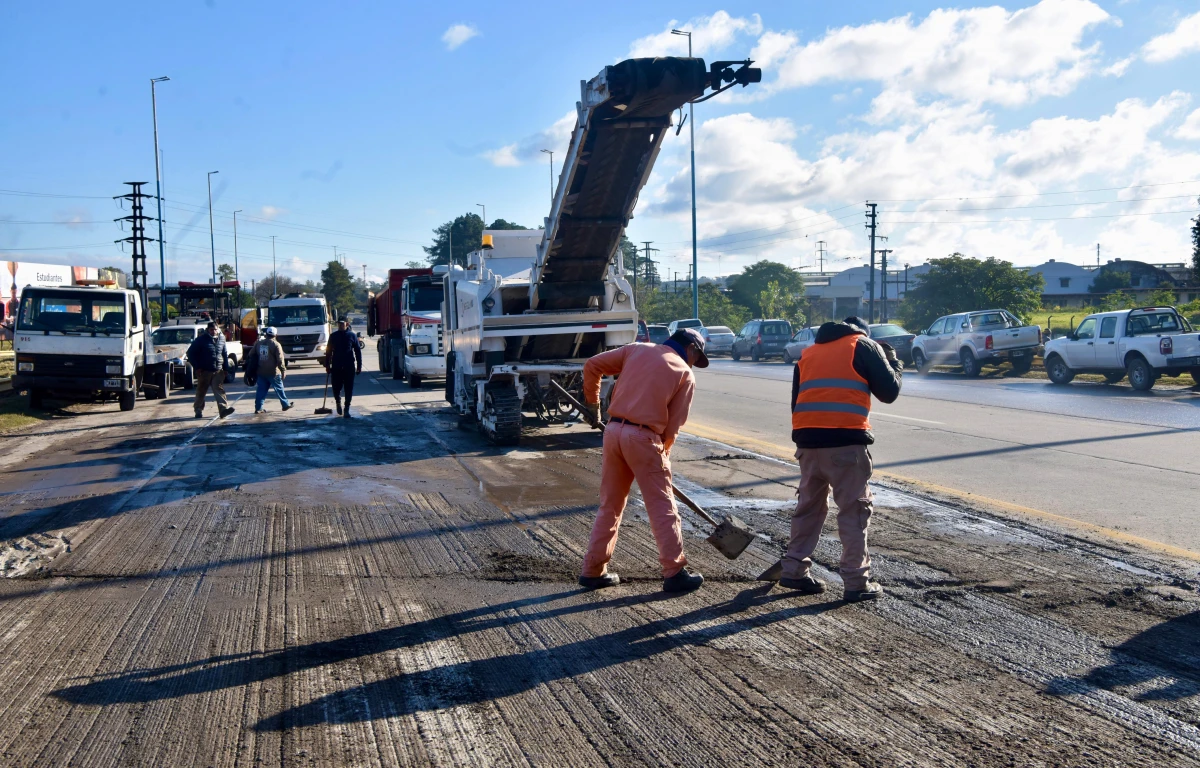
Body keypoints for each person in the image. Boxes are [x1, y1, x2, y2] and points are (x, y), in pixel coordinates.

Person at [577, 328, 708, 593]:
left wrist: (593, 406)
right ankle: (674, 572)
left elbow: (592, 365)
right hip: (644, 438)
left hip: (613, 432)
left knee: (610, 505)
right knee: (662, 505)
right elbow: (673, 427)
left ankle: (592, 571)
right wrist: (663, 457)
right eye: (697, 357)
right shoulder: (684, 373)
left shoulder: (637, 349)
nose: (694, 362)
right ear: (691, 348)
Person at [781, 316, 903, 601]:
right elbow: (889, 392)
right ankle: (857, 582)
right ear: (862, 332)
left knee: (808, 508)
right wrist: (894, 362)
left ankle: (793, 570)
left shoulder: (808, 353)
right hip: (846, 445)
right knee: (853, 511)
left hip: (808, 444)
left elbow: (796, 402)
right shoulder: (863, 345)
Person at [187, 321, 234, 419]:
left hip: (218, 370)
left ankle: (223, 410)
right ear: (208, 330)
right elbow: (190, 353)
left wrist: (226, 368)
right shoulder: (201, 340)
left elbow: (224, 354)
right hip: (204, 371)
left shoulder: (222, 339)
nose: (213, 331)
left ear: (218, 329)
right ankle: (198, 410)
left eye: (215, 329)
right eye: (211, 330)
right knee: (201, 391)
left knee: (219, 390)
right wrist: (197, 367)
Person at [323, 318, 362, 418]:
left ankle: (347, 409)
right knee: (336, 387)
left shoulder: (352, 336)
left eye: (342, 324)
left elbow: (357, 351)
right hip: (336, 366)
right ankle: (338, 403)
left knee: (349, 388)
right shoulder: (333, 336)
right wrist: (327, 365)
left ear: (347, 324)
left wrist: (359, 366)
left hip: (349, 366)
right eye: (339, 324)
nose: (340, 326)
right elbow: (328, 352)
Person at [254, 327, 293, 414]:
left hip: (261, 371)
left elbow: (251, 355)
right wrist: (283, 370)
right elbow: (280, 359)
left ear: (266, 334)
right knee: (279, 388)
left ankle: (258, 408)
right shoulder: (276, 344)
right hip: (273, 372)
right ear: (275, 335)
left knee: (261, 390)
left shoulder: (258, 343)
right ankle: (285, 404)